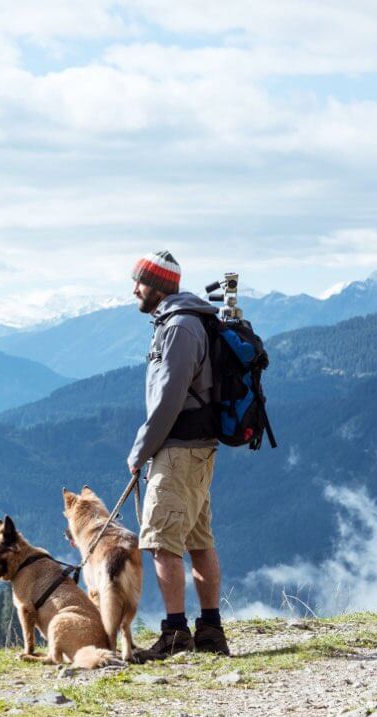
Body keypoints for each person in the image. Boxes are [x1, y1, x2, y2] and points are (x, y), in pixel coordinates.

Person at [127, 250, 231, 659]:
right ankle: (210, 631)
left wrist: (140, 451)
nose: (134, 289)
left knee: (162, 541)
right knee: (197, 538)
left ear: (157, 285)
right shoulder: (187, 321)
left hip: (178, 450)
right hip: (196, 449)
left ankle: (175, 634)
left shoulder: (179, 328)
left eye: (139, 281)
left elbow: (168, 399)